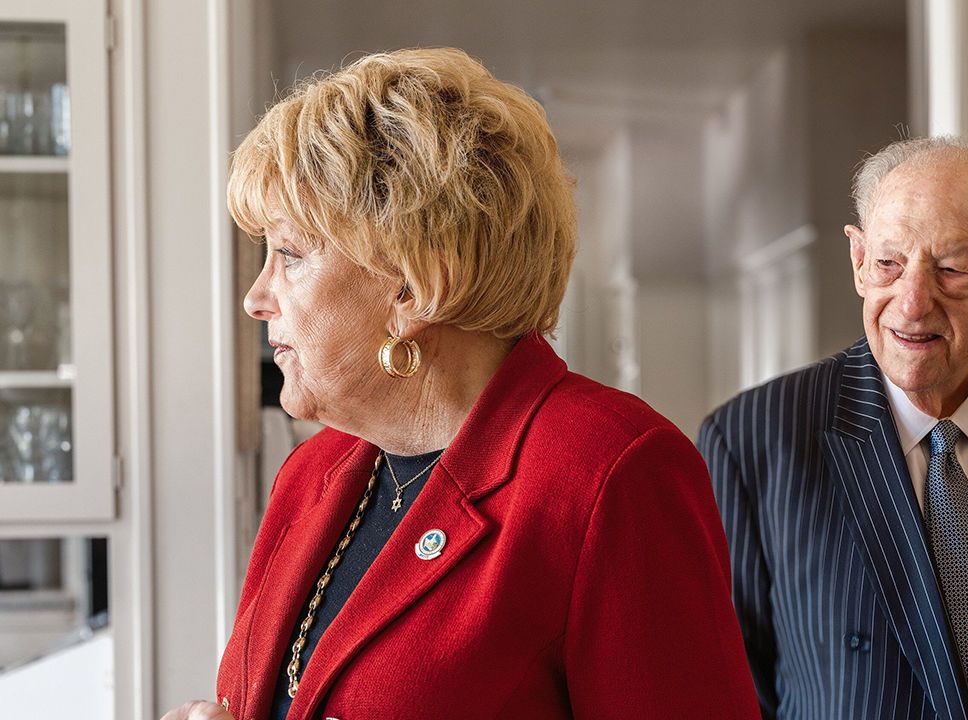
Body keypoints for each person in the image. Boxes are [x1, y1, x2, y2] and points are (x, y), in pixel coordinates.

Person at [163, 48, 758, 720]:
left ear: (413, 284)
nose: (256, 297)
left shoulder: (608, 471)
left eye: (290, 256)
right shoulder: (312, 473)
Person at [698, 136, 968, 719]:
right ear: (858, 261)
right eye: (888, 263)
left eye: (952, 269)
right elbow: (731, 692)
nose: (911, 303)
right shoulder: (755, 441)